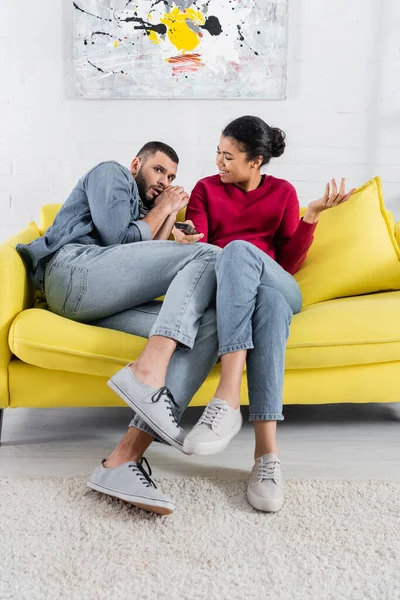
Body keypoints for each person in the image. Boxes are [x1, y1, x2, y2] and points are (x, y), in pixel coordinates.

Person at [135, 117, 355, 513]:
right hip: (237, 295)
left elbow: (287, 262)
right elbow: (199, 238)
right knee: (258, 296)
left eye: (228, 156)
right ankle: (266, 457)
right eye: (218, 153)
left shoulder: (283, 193)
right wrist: (186, 239)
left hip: (278, 284)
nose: (219, 162)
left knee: (240, 253)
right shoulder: (205, 189)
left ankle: (228, 398)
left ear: (255, 161)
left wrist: (312, 216)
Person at [16, 142, 221, 515]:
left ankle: (123, 460)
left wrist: (170, 217)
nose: (165, 181)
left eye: (172, 177)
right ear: (136, 163)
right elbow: (117, 241)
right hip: (73, 272)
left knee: (208, 326)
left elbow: (147, 264)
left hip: (103, 299)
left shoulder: (148, 209)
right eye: (159, 171)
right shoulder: (111, 174)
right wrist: (163, 209)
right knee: (211, 255)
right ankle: (146, 372)